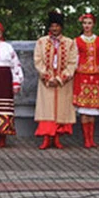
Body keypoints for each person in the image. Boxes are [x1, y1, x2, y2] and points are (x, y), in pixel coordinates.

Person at [33, 11, 78, 150]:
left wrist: (60, 78)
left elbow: (73, 62)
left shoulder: (70, 43)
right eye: (52, 26)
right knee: (47, 109)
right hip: (46, 82)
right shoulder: (41, 42)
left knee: (61, 110)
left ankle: (57, 138)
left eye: (57, 26)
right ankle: (47, 138)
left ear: (61, 27)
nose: (54, 29)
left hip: (63, 83)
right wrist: (47, 76)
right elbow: (37, 60)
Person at [73, 13, 99, 148]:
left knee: (93, 109)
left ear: (93, 25)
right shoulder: (77, 41)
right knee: (84, 109)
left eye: (89, 23)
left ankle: (91, 138)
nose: (86, 26)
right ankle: (86, 138)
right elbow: (74, 60)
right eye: (84, 23)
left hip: (96, 77)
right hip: (82, 77)